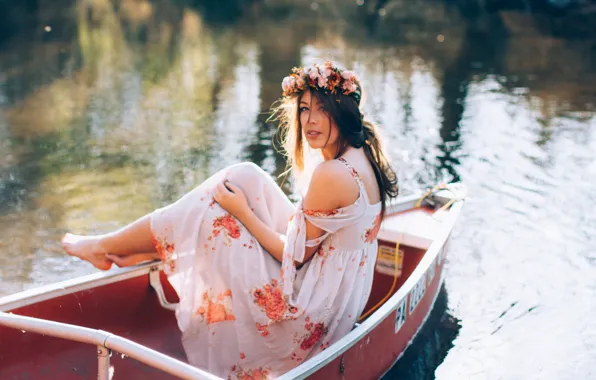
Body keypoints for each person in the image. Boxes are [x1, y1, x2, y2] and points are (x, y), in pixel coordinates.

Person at [61, 61, 398, 379]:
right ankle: (150, 247)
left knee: (219, 215)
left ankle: (110, 247)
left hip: (308, 311)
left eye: (323, 109)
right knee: (245, 176)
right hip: (332, 286)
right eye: (305, 108)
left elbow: (292, 258)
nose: (311, 121)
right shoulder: (363, 152)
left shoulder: (332, 174)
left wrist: (243, 212)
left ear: (343, 112)